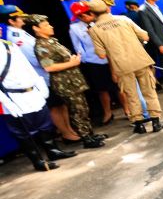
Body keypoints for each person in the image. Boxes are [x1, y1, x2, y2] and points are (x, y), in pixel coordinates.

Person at [87, 0, 163, 134]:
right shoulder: (123, 19)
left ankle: (139, 124)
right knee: (149, 92)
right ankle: (156, 122)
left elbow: (101, 55)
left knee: (131, 95)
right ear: (107, 9)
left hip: (122, 66)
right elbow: (145, 36)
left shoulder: (94, 30)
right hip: (140, 60)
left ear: (92, 13)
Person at [28, 14, 105, 148]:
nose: (50, 26)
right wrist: (72, 63)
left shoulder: (52, 41)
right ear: (36, 29)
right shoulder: (42, 46)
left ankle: (90, 133)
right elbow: (49, 67)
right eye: (45, 25)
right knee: (77, 111)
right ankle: (86, 138)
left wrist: (72, 60)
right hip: (65, 84)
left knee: (83, 109)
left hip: (73, 81)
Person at [0, 40, 76, 171]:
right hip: (12, 97)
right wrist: (5, 101)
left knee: (45, 124)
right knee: (23, 133)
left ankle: (53, 151)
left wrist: (39, 83)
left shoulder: (8, 45)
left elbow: (26, 66)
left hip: (31, 91)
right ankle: (38, 160)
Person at [69, 1, 115, 125]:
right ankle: (107, 112)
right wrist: (86, 59)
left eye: (85, 14)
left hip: (112, 58)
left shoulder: (101, 22)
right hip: (94, 61)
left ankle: (128, 110)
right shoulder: (75, 28)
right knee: (102, 89)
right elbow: (78, 46)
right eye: (80, 16)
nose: (83, 17)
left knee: (119, 86)